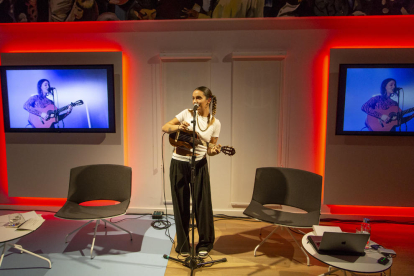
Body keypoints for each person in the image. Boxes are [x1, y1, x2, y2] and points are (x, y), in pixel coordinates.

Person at [161, 86, 221, 258]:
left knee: (202, 204)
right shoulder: (186, 114)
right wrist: (179, 126)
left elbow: (210, 149)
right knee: (180, 205)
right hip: (179, 164)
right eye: (193, 98)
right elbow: (165, 127)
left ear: (208, 100)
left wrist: (214, 152)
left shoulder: (215, 123)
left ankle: (205, 243)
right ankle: (184, 245)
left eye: (199, 98)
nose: (195, 101)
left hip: (200, 164)